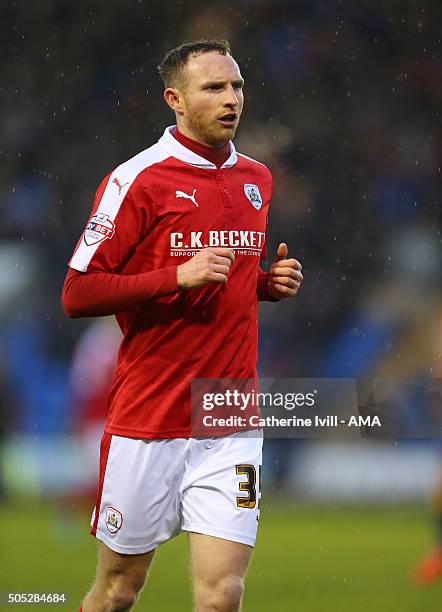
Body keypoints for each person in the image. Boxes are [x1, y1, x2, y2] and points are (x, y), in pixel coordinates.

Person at [62, 39, 303, 612]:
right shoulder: (136, 180)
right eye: (214, 88)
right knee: (120, 589)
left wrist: (265, 284)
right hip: (150, 415)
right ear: (175, 98)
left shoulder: (257, 179)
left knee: (222, 595)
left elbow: (227, 271)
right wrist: (175, 276)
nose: (231, 99)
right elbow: (77, 293)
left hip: (228, 413)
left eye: (237, 86)